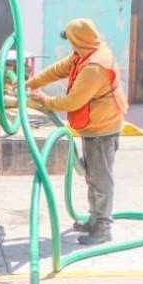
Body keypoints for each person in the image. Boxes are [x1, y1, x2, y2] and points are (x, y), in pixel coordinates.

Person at [24, 18, 128, 246]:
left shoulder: (94, 67)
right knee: (92, 175)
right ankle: (94, 219)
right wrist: (32, 83)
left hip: (103, 129)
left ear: (77, 40)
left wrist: (45, 100)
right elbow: (60, 68)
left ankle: (102, 228)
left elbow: (72, 102)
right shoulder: (85, 53)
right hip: (95, 125)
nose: (69, 44)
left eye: (70, 40)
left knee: (100, 178)